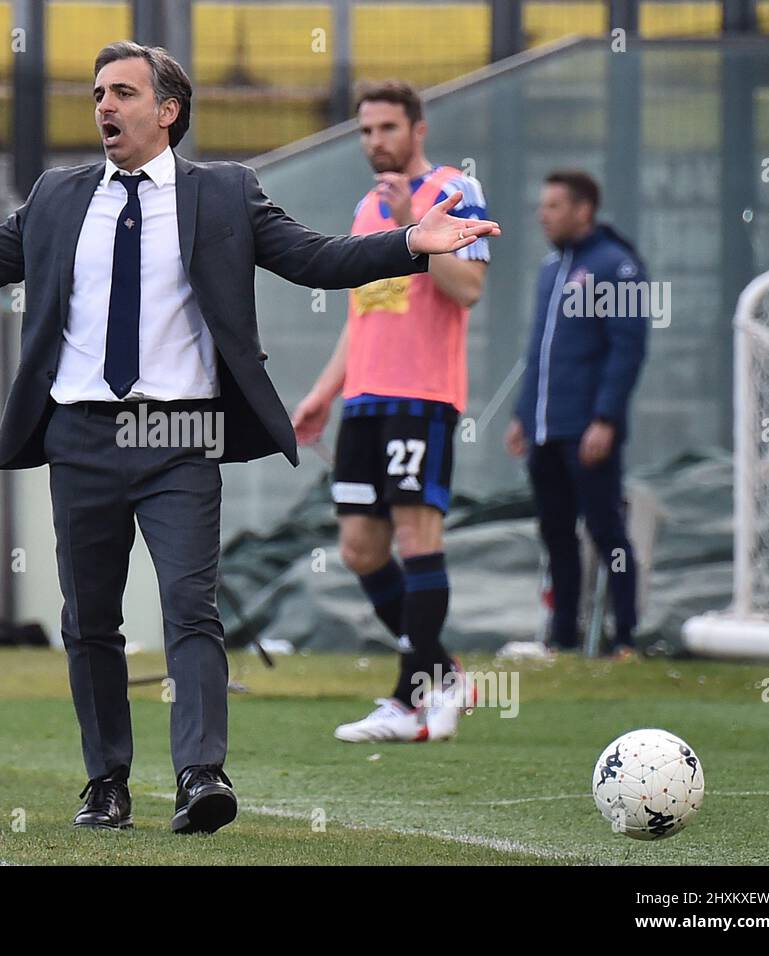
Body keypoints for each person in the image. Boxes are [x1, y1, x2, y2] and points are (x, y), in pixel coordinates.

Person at [0, 42, 499, 833]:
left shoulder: (223, 194)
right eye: (96, 94)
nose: (104, 107)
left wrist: (409, 247)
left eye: (122, 92)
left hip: (181, 433)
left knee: (191, 607)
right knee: (88, 621)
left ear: (168, 110)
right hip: (80, 434)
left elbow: (315, 258)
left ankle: (201, 776)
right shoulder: (56, 196)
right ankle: (106, 782)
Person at [291, 80, 491, 744]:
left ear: (418, 129)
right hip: (365, 401)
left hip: (422, 397)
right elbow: (362, 311)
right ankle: (443, 674)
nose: (375, 141)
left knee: (416, 539)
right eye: (366, 130)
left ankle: (411, 698)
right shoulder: (366, 205)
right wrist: (323, 392)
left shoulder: (453, 189)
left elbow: (468, 291)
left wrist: (423, 231)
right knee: (358, 548)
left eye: (386, 128)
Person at [504, 170, 647, 659]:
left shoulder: (617, 265)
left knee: (607, 530)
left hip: (586, 429)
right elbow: (538, 352)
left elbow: (627, 349)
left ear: (583, 209)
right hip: (546, 427)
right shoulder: (550, 269)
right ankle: (562, 637)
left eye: (553, 206)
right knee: (555, 531)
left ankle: (625, 635)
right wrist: (524, 414)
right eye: (542, 206)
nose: (543, 215)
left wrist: (605, 418)